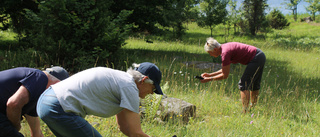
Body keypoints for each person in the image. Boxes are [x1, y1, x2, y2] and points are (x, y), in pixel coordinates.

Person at [37, 62, 163, 137]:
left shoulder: (121, 82)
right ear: (143, 80)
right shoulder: (130, 88)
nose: (151, 93)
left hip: (45, 102)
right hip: (58, 107)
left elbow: (124, 127)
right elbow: (136, 132)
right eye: (153, 88)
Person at [200, 37, 266, 113]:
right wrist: (209, 75)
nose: (210, 55)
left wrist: (209, 79)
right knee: (254, 84)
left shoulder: (225, 53)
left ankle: (245, 111)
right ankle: (252, 108)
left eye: (210, 52)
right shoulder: (225, 48)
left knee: (243, 84)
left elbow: (225, 75)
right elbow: (224, 69)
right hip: (260, 55)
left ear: (215, 49)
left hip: (256, 58)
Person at [0, 66, 69, 137]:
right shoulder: (40, 78)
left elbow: (36, 131)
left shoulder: (34, 94)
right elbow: (13, 104)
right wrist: (16, 126)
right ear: (56, 83)